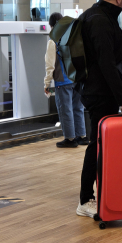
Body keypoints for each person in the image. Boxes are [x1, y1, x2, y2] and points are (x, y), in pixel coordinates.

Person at [76, 0, 122, 218]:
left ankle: (103, 193)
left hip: (95, 89)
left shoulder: (93, 15)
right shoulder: (100, 20)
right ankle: (85, 199)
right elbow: (105, 64)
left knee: (102, 145)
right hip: (100, 93)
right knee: (97, 145)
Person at [44, 12, 88, 148]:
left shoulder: (53, 41)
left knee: (65, 109)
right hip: (77, 79)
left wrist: (46, 83)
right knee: (78, 108)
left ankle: (70, 139)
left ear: (51, 25)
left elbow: (50, 65)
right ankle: (82, 136)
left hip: (63, 81)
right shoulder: (72, 37)